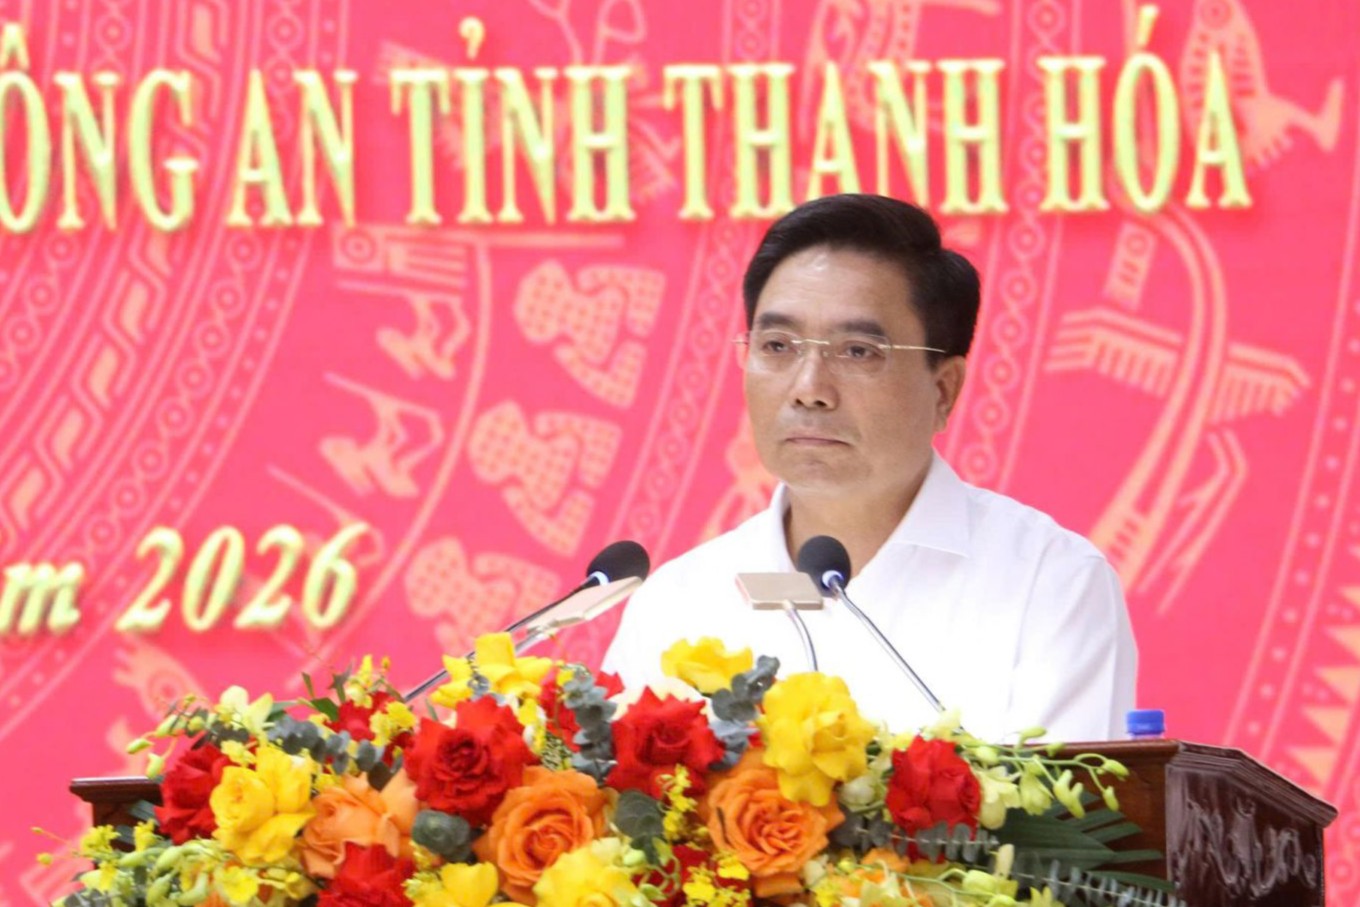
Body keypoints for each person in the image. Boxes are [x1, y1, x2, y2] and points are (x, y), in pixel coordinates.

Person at [603, 194, 1136, 742]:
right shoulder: (678, 601)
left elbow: (1071, 797)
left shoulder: (1050, 584)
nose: (809, 389)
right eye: (778, 345)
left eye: (857, 351)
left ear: (943, 389)